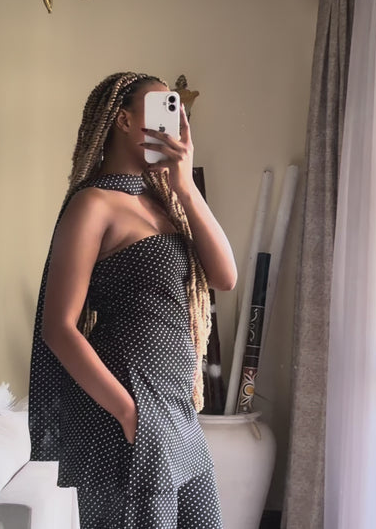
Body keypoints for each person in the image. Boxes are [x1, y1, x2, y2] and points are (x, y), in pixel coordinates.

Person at [28, 72, 237, 528]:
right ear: (123, 120)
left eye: (175, 111)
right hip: (131, 404)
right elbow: (58, 327)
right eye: (162, 108)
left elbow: (225, 277)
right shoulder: (93, 204)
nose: (173, 122)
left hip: (176, 407)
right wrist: (128, 413)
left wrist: (185, 186)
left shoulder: (166, 202)